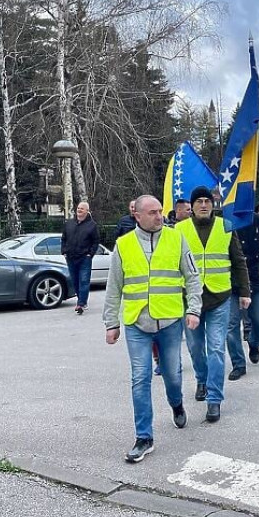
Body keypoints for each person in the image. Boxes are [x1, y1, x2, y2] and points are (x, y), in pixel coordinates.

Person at [102, 195, 202, 463]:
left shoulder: (176, 238)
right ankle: (144, 437)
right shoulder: (123, 246)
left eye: (160, 211)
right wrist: (111, 323)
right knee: (140, 378)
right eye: (153, 212)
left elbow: (192, 277)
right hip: (137, 322)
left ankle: (176, 403)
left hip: (169, 320)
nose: (160, 216)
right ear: (137, 215)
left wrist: (193, 309)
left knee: (172, 374)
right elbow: (114, 288)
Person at [176, 186, 250, 423]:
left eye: (208, 201)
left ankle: (214, 399)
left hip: (220, 296)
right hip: (191, 300)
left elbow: (238, 261)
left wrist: (245, 291)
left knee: (216, 348)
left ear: (213, 204)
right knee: (196, 348)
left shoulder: (225, 226)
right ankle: (202, 379)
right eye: (199, 202)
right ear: (192, 206)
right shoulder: (179, 230)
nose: (204, 205)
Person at [225, 208, 259, 379]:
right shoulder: (227, 221)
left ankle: (254, 343)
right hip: (231, 281)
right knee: (231, 325)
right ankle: (238, 363)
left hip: (255, 278)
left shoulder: (258, 220)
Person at [61, 201, 100, 315]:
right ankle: (81, 300)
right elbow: (64, 238)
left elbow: (96, 241)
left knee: (84, 281)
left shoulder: (92, 225)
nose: (79, 210)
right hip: (71, 257)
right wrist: (64, 251)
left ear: (87, 211)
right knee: (75, 281)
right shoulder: (69, 223)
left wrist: (90, 254)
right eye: (78, 208)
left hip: (84, 258)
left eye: (82, 209)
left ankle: (81, 303)